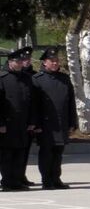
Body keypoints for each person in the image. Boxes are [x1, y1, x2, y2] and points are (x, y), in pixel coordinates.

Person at [32, 47, 78, 189]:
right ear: (45, 62)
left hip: (61, 123)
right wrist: (36, 124)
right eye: (52, 61)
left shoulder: (64, 79)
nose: (55, 63)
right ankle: (46, 179)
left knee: (58, 153)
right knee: (46, 153)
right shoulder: (37, 80)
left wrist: (72, 122)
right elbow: (34, 105)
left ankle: (56, 178)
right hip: (45, 125)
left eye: (56, 61)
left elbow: (70, 103)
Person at [0, 49, 35, 190]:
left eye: (21, 61)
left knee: (20, 154)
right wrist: (0, 123)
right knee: (7, 155)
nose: (20, 64)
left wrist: (32, 121)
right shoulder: (2, 79)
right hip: (7, 124)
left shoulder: (27, 79)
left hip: (23, 124)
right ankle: (7, 182)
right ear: (10, 62)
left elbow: (32, 102)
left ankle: (17, 181)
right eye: (17, 61)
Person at [19, 46, 37, 186]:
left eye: (28, 59)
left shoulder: (34, 76)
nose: (26, 61)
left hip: (29, 121)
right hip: (14, 121)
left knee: (25, 151)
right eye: (24, 59)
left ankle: (21, 175)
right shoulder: (11, 76)